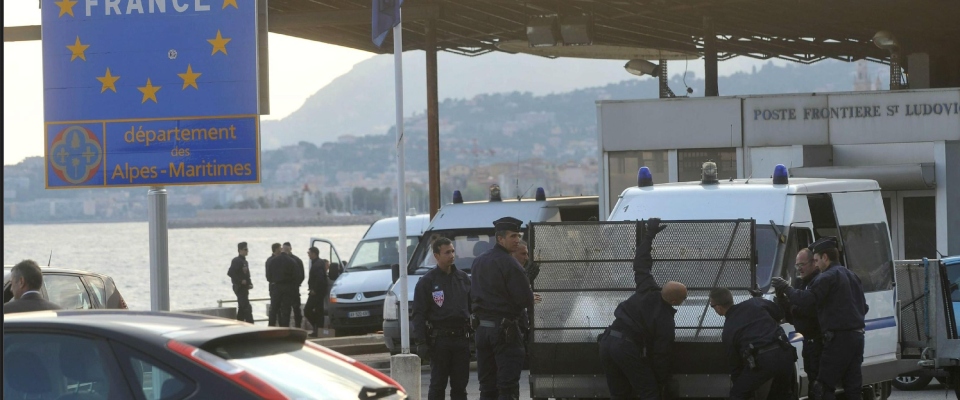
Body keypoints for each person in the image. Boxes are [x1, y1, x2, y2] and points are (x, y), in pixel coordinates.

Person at [597, 218, 685, 400]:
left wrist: (649, 236)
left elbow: (641, 263)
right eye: (683, 298)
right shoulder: (665, 320)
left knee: (619, 393)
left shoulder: (647, 288)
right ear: (675, 301)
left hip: (607, 341)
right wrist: (659, 382)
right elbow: (661, 354)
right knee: (649, 393)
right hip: (626, 347)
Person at [772, 237, 868, 400]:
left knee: (822, 388)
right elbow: (864, 307)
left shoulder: (827, 277)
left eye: (816, 260)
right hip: (857, 338)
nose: (816, 264)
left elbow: (807, 300)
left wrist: (786, 289)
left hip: (837, 340)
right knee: (853, 388)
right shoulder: (851, 275)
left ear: (825, 257)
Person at [470, 216, 534, 400]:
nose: (517, 240)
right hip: (504, 332)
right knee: (507, 388)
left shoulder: (479, 261)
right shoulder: (510, 263)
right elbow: (525, 299)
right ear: (500, 238)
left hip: (482, 330)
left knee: (487, 387)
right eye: (513, 236)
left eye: (518, 236)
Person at [710, 287, 796, 400]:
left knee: (737, 394)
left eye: (712, 306)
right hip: (786, 354)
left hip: (764, 361)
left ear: (718, 307)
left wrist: (739, 384)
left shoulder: (728, 330)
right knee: (782, 394)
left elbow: (734, 363)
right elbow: (779, 313)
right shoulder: (755, 302)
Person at [413, 238, 472, 400]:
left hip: (461, 339)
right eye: (447, 252)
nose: (451, 255)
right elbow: (418, 314)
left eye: (453, 251)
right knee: (438, 385)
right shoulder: (427, 282)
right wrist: (421, 342)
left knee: (460, 386)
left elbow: (473, 308)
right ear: (436, 256)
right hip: (440, 341)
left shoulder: (463, 279)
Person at [775, 248, 822, 395]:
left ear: (814, 263)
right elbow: (793, 316)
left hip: (819, 343)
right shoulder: (803, 283)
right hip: (809, 342)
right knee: (813, 382)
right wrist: (782, 300)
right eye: (797, 265)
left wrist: (788, 293)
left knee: (819, 385)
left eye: (802, 264)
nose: (799, 268)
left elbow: (807, 309)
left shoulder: (818, 282)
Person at [266, 243, 296, 327]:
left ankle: (271, 328)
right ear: (288, 250)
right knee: (286, 310)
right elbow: (296, 276)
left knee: (274, 309)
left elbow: (268, 276)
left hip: (276, 287)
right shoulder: (292, 261)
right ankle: (285, 328)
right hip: (287, 287)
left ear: (282, 249)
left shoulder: (273, 260)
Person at [227, 242, 254, 323]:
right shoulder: (236, 261)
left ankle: (239, 323)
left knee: (242, 308)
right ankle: (251, 324)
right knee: (247, 307)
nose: (247, 251)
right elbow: (230, 273)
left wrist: (249, 283)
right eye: (245, 249)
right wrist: (240, 281)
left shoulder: (245, 262)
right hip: (239, 287)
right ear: (240, 250)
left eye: (247, 249)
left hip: (244, 288)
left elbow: (247, 275)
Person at [305, 248, 330, 337]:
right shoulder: (317, 263)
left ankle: (318, 327)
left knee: (307, 310)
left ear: (314, 253)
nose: (308, 254)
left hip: (317, 292)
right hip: (318, 291)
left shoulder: (318, 264)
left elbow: (320, 279)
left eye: (309, 252)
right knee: (319, 311)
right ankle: (318, 330)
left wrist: (314, 290)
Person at [283, 242, 306, 329]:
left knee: (296, 308)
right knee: (286, 310)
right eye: (284, 249)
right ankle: (286, 328)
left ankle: (298, 326)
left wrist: (296, 284)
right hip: (286, 289)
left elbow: (302, 275)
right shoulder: (281, 260)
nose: (285, 251)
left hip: (294, 288)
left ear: (290, 249)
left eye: (286, 249)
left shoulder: (297, 260)